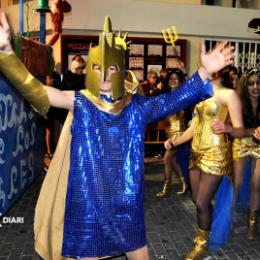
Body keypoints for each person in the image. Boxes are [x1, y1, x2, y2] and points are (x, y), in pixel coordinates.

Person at [0, 12, 235, 260]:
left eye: (111, 68)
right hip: (88, 202)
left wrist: (203, 73)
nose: (104, 75)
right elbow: (39, 92)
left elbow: (171, 101)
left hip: (126, 204)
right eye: (98, 68)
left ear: (121, 70)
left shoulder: (136, 107)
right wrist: (7, 54)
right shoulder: (81, 102)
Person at [164, 69, 244, 259]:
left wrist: (229, 128)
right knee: (197, 200)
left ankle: (202, 243)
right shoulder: (200, 95)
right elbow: (193, 128)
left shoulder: (229, 95)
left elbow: (240, 130)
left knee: (201, 202)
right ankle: (209, 227)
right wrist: (174, 142)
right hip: (196, 152)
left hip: (216, 154)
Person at [232, 68, 260, 239]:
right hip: (241, 143)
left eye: (258, 83)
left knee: (256, 183)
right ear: (245, 86)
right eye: (251, 83)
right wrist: (253, 131)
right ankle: (230, 215)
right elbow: (235, 132)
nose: (255, 87)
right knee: (238, 182)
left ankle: (252, 222)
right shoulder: (238, 103)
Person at [156, 69, 190, 197]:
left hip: (179, 133)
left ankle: (166, 187)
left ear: (180, 81)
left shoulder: (183, 96)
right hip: (169, 132)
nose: (173, 81)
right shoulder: (166, 96)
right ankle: (184, 183)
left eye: (176, 78)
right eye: (170, 79)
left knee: (167, 159)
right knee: (173, 161)